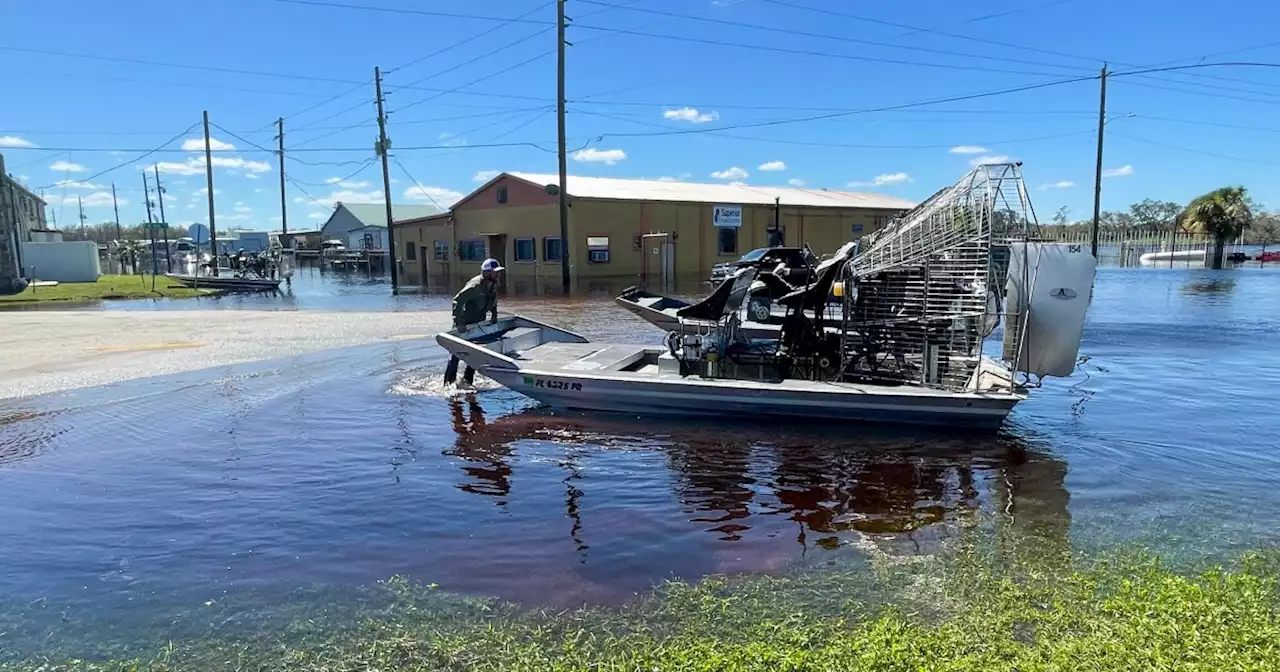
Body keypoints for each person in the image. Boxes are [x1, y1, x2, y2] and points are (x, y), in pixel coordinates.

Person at [444, 258, 504, 386]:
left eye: (499, 272)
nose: (498, 274)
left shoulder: (493, 284)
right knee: (456, 354)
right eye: (495, 272)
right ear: (487, 273)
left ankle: (467, 381)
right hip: (464, 323)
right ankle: (448, 384)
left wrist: (494, 314)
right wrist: (459, 322)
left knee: (474, 354)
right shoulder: (474, 286)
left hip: (478, 323)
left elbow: (493, 300)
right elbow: (457, 301)